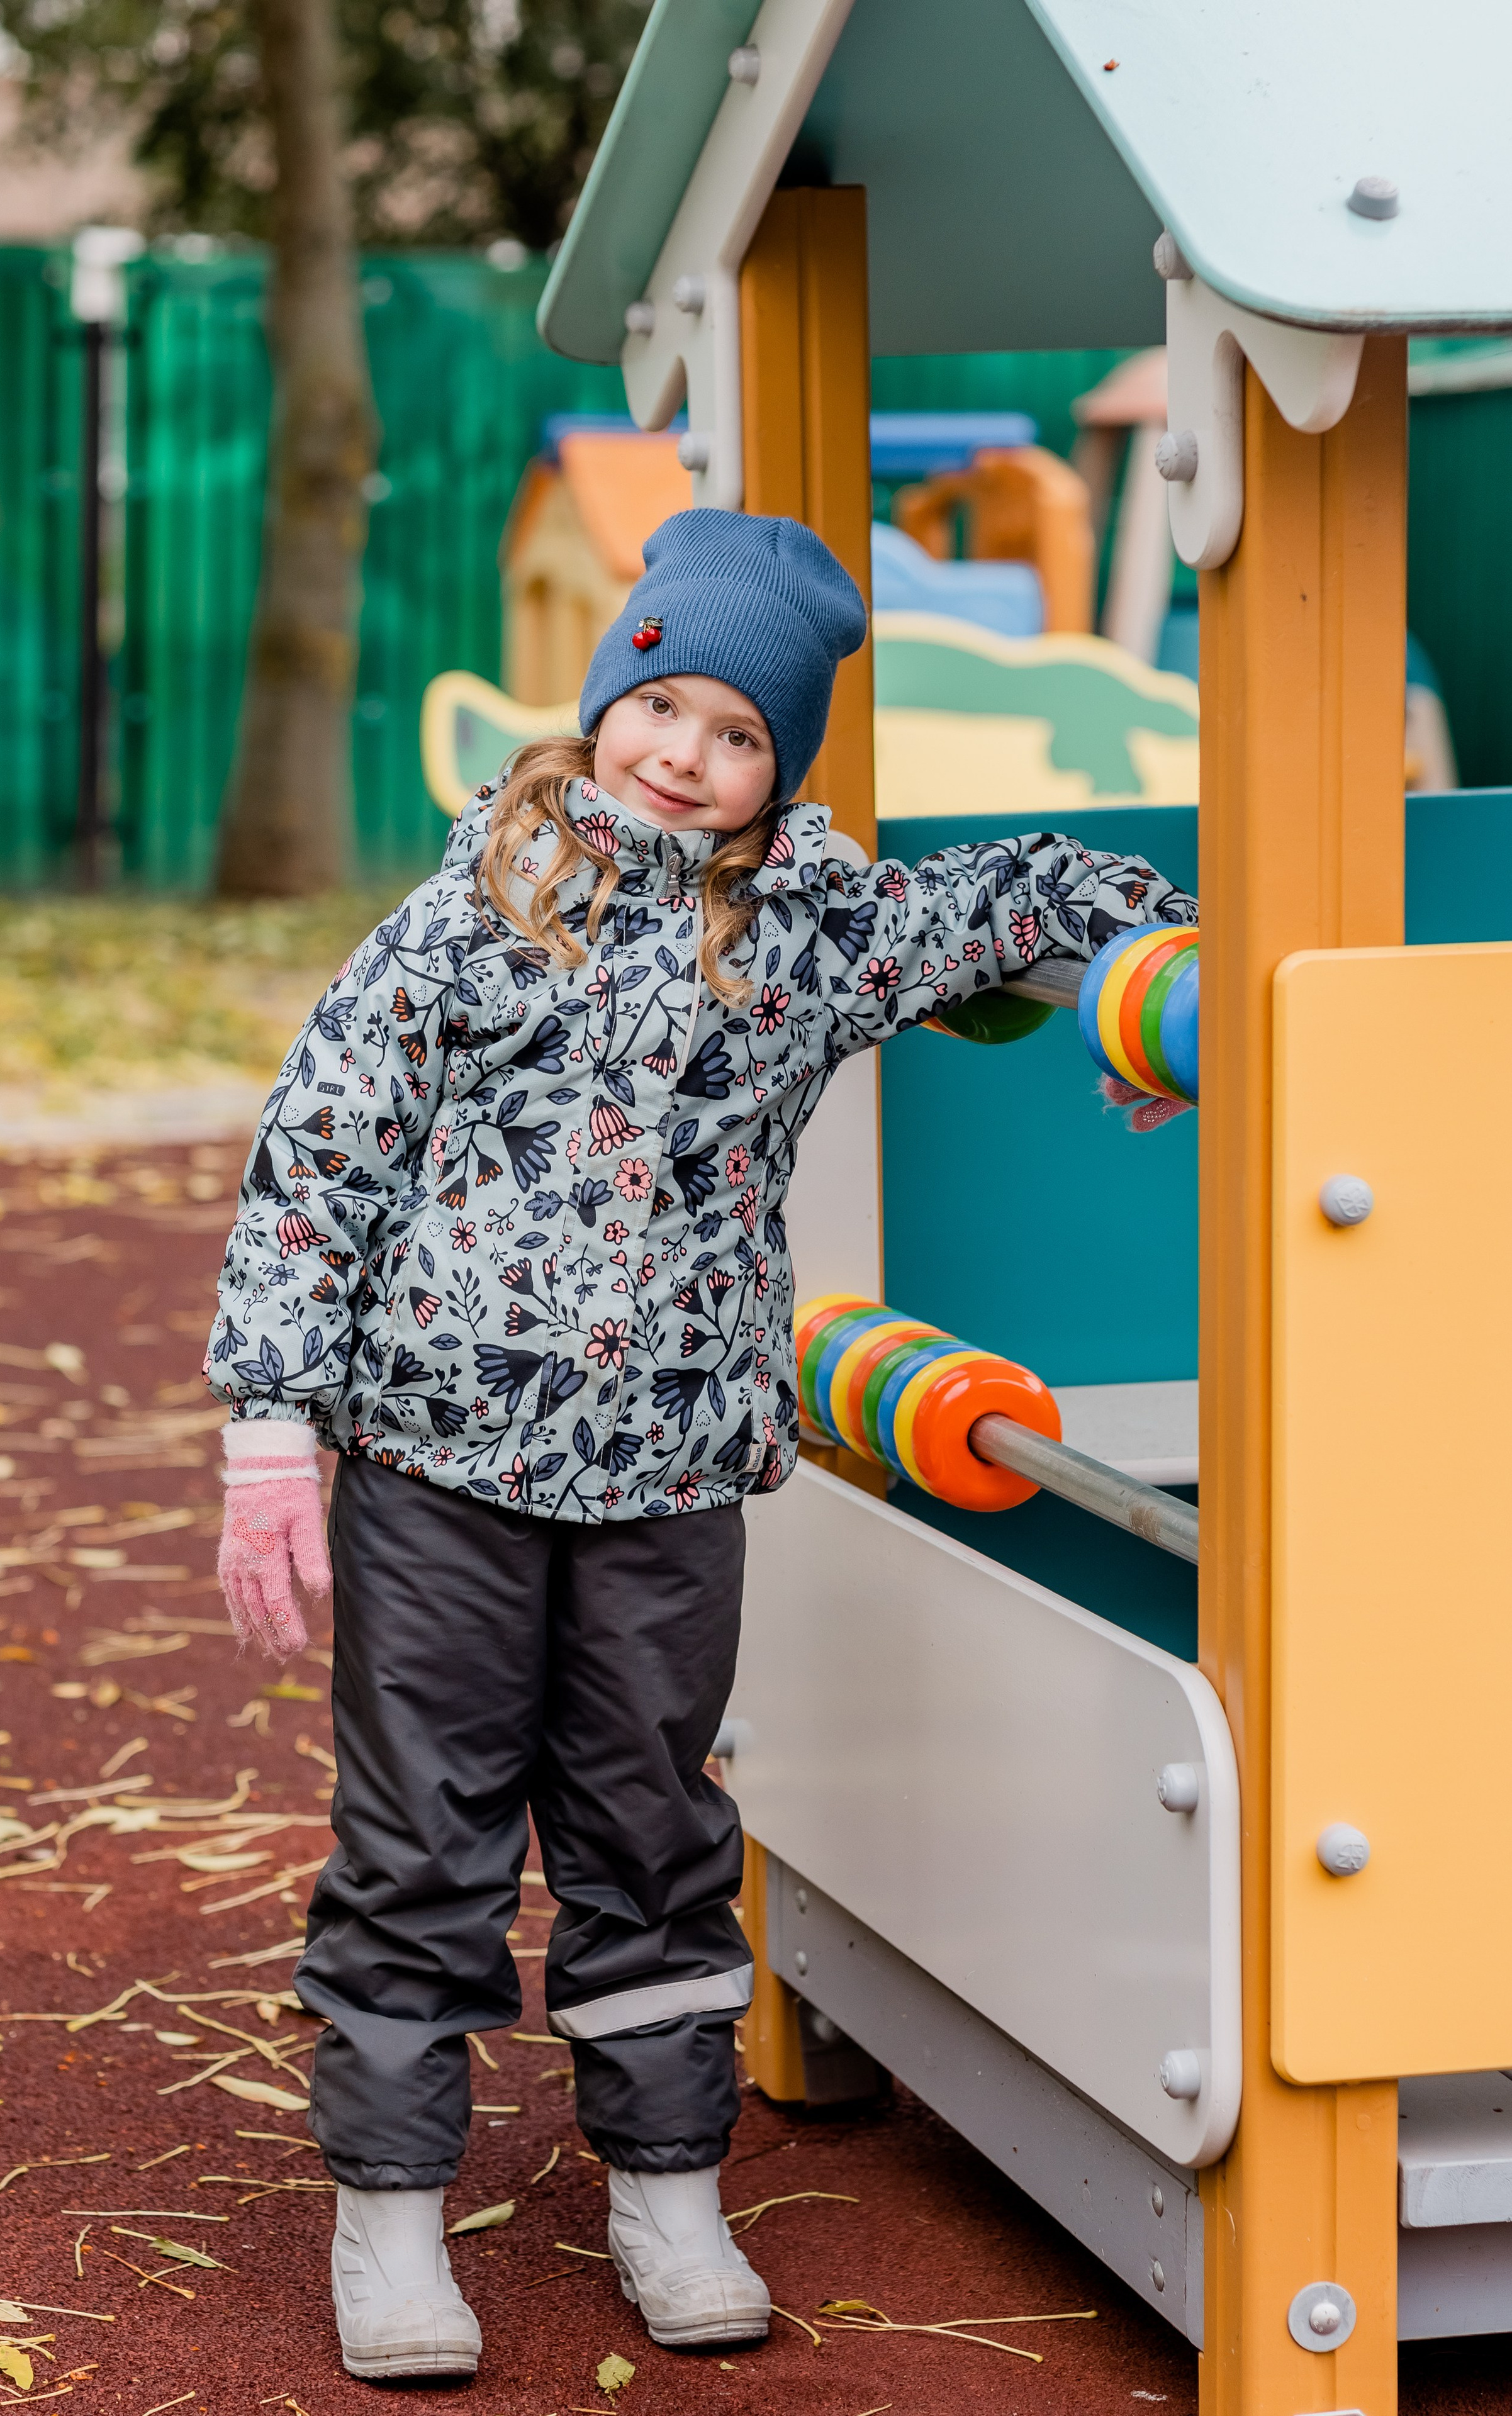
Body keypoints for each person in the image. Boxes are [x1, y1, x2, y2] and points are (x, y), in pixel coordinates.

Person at [208, 508, 1197, 2382]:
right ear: (603, 705)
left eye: (741, 731)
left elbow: (1033, 894)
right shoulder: (476, 912)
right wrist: (275, 1420)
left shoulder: (814, 936)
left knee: (652, 1826)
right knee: (422, 1834)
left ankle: (667, 2185)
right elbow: (321, 1156)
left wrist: (1159, 993)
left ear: (781, 767)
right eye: (659, 702)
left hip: (668, 1480)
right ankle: (394, 2219)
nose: (687, 751)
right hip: (441, 1468)